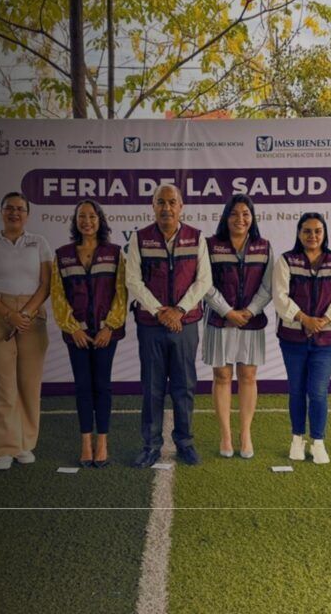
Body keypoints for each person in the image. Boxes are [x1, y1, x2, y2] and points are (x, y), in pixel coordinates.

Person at [126, 184, 212, 468]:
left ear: (181, 206)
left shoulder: (196, 238)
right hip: (151, 325)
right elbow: (133, 281)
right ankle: (150, 445)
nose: (166, 208)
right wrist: (160, 311)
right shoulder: (139, 239)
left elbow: (204, 281)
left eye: (172, 202)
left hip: (185, 324)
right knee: (151, 387)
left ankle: (184, 442)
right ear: (153, 207)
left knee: (184, 386)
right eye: (160, 203)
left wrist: (179, 311)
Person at [0, 192, 52, 471]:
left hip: (32, 316)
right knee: (2, 384)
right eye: (9, 208)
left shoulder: (39, 243)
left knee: (28, 384)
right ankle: (4, 448)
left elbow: (45, 284)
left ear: (27, 214)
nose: (14, 213)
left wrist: (26, 313)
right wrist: (9, 314)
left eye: (20, 209)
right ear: (1, 212)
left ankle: (24, 445)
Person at [51, 200, 127, 468]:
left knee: (102, 386)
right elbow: (58, 296)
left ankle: (102, 442)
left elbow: (121, 293)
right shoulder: (62, 255)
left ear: (100, 220)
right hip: (78, 336)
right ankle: (85, 443)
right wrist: (74, 329)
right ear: (75, 221)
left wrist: (110, 326)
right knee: (83, 387)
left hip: (106, 334)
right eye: (81, 216)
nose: (87, 221)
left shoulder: (115, 253)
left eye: (92, 216)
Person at [273, 212, 331, 464]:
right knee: (296, 391)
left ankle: (318, 442)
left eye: (317, 231)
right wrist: (303, 319)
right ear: (299, 233)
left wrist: (323, 321)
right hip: (292, 338)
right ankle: (297, 438)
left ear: (324, 233)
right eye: (307, 231)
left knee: (318, 392)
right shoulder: (286, 260)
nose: (312, 236)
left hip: (325, 340)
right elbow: (280, 296)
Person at [203, 195, 273, 459]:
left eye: (245, 213)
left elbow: (268, 285)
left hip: (251, 321)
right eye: (234, 214)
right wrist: (227, 311)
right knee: (222, 377)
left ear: (252, 217)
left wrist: (250, 311)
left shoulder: (263, 246)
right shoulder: (211, 245)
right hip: (220, 321)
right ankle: (226, 435)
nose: (240, 219)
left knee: (248, 377)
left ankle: (245, 433)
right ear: (225, 217)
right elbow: (204, 283)